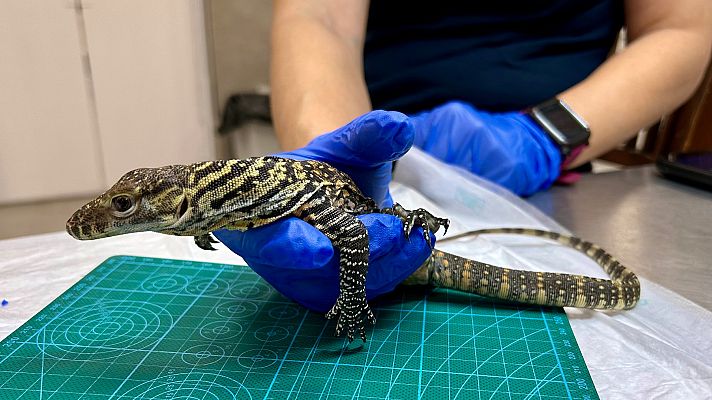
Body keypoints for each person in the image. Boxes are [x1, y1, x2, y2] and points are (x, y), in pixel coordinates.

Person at [215, 1, 712, 312]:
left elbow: (680, 27)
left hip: (556, 170)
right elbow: (315, 16)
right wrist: (339, 154)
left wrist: (541, 137)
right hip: (382, 162)